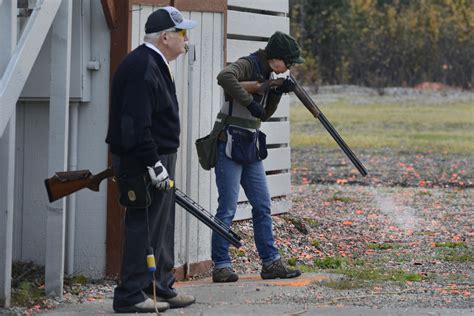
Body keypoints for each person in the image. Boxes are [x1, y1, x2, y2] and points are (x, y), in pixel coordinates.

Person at [105, 6, 197, 313]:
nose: (186, 38)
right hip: (143, 160)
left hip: (155, 157)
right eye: (182, 33)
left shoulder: (155, 62)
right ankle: (130, 294)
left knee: (161, 226)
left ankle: (159, 287)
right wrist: (153, 163)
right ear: (165, 37)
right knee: (142, 226)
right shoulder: (142, 66)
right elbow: (135, 124)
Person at [211, 31, 305, 282]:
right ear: (276, 58)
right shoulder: (249, 63)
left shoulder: (269, 74)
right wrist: (250, 101)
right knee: (228, 208)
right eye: (289, 61)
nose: (290, 66)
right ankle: (221, 265)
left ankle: (271, 263)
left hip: (250, 143)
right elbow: (225, 76)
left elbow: (263, 114)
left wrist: (275, 91)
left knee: (263, 205)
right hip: (229, 141)